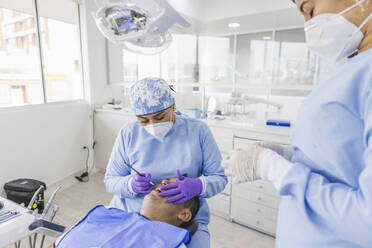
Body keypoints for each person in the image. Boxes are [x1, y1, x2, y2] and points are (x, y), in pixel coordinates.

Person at [222, 0, 372, 247]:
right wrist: (285, 154)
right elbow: (339, 158)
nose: (307, 22)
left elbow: (367, 224)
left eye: (310, 9)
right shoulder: (353, 68)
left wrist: (274, 168)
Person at [104, 77, 228, 248]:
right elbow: (110, 180)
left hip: (180, 220)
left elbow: (219, 177)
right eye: (144, 120)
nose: (152, 124)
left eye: (159, 116)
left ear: (173, 106)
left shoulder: (198, 131)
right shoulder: (128, 133)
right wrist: (130, 185)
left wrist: (199, 185)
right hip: (131, 213)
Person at [53, 178, 200, 248]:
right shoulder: (107, 214)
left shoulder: (172, 242)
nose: (164, 182)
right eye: (165, 181)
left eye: (174, 188)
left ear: (184, 215)